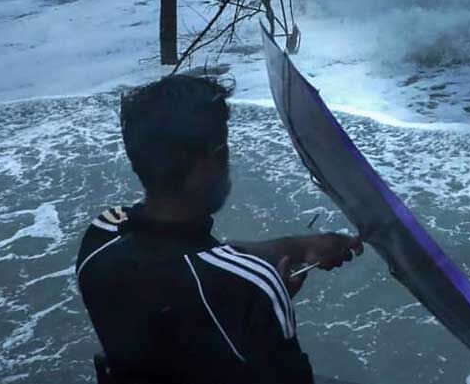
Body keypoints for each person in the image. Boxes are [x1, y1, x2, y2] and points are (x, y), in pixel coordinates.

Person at [76, 75, 363, 384]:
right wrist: (264, 300)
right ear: (217, 157)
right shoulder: (249, 290)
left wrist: (300, 247)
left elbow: (190, 266)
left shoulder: (101, 238)